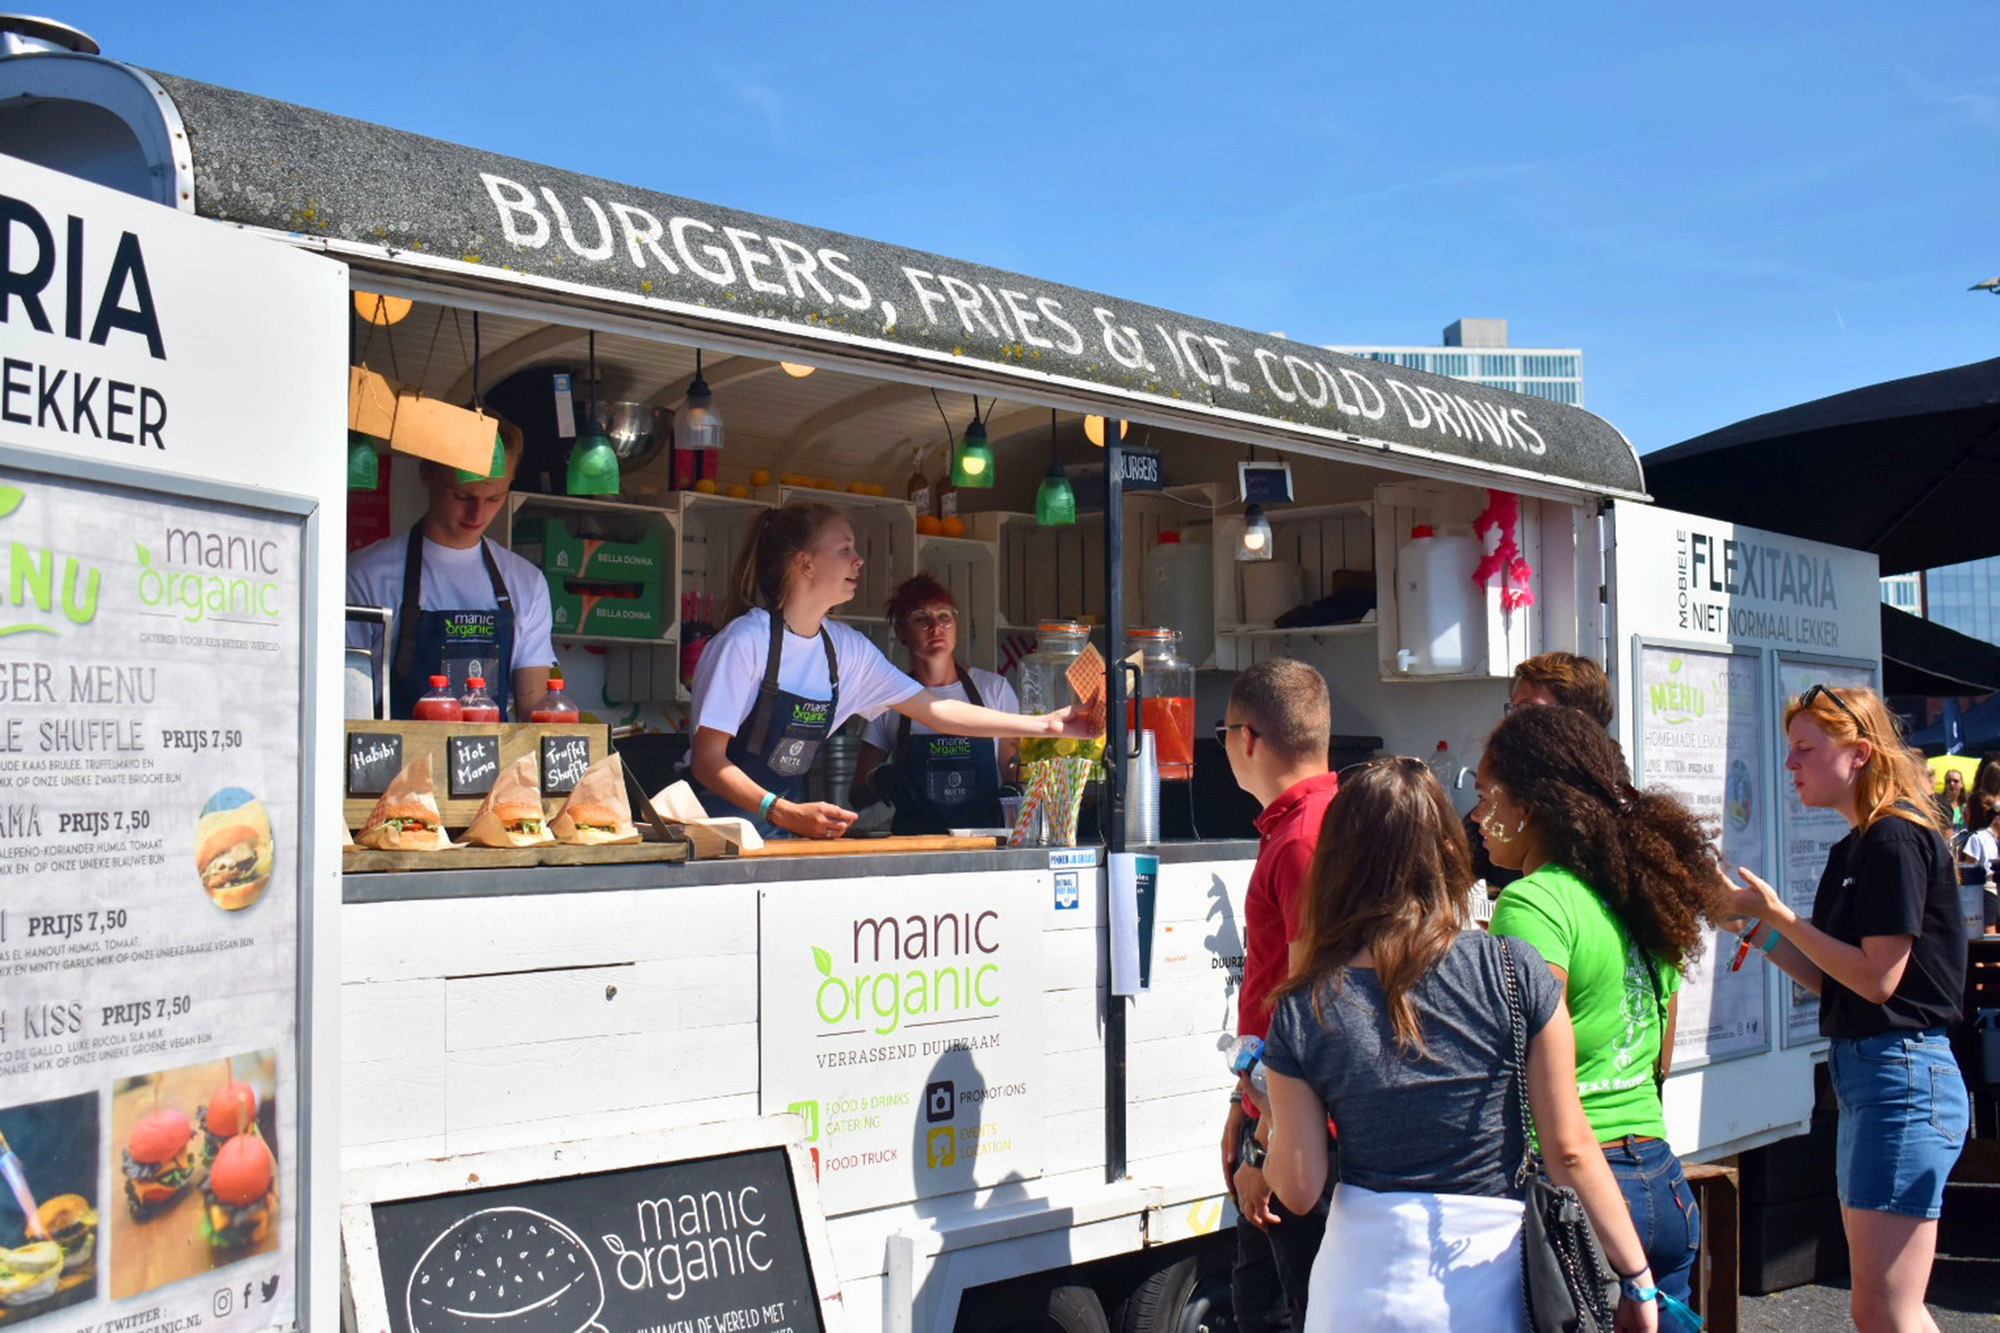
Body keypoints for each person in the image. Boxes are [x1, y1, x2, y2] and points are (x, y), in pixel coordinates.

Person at [1254, 757, 1657, 1333]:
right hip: (1486, 1282)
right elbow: (1569, 1149)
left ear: (1336, 863)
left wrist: (1266, 1127)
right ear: (1448, 850)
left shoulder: (1305, 1004)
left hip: (1360, 1290)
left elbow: (1298, 1189)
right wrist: (1635, 1277)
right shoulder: (1514, 970)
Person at [1728, 684, 1970, 1333]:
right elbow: (1836, 978)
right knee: (1882, 1307)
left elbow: (1877, 979)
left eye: (1805, 748)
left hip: (1901, 1075)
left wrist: (1780, 918)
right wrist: (1755, 926)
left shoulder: (1893, 837)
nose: (1790, 763)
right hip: (1880, 1076)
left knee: (1885, 1307)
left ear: (1860, 753)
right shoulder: (1861, 843)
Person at [1476, 704, 1730, 1311]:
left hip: (1577, 1191)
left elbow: (1519, 1056)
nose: (1479, 817)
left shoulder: (1532, 903)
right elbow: (1659, 1058)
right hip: (1661, 1177)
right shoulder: (1639, 894)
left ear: (1529, 806)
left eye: (1487, 797)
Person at [688, 504, 1097, 839]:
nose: (859, 559)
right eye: (845, 549)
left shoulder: (845, 650)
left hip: (779, 838)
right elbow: (708, 761)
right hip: (713, 837)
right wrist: (783, 811)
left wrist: (1047, 725)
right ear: (805, 563)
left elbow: (938, 711)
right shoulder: (745, 642)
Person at [1216, 659, 1340, 1333]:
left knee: (1280, 1313)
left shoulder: (1300, 838)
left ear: (1247, 738)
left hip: (1302, 1129)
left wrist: (1266, 1144)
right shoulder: (1323, 819)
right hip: (1284, 1112)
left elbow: (1312, 1007)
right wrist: (1245, 1107)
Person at [347, 420, 554, 720]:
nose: (477, 513)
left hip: (494, 751)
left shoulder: (526, 582)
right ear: (427, 475)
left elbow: (534, 711)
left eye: (494, 498)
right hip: (395, 751)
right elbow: (348, 703)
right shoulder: (366, 574)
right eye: (462, 496)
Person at [851, 575, 1018, 834]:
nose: (935, 627)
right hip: (916, 847)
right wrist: (880, 778)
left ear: (956, 625)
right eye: (921, 618)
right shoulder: (888, 699)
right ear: (900, 631)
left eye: (944, 617)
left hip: (983, 844)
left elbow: (1016, 775)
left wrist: (1013, 790)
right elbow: (857, 795)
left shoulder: (994, 690)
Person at [1474, 651, 1616, 894]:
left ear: (1578, 719)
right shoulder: (1497, 803)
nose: (1515, 721)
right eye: (1514, 709)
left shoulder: (1615, 806)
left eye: (1529, 709)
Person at [1935, 766, 1968, 832]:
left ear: (1961, 784)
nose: (1952, 784)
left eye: (1956, 781)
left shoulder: (1966, 806)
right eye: (1948, 781)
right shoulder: (1939, 805)